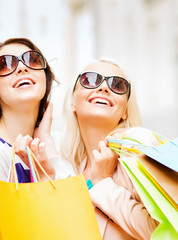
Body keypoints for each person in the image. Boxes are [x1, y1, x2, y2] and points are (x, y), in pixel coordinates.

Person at [0, 38, 72, 240]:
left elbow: (77, 214)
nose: (21, 67)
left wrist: (46, 142)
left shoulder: (57, 142)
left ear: (45, 80)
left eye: (32, 60)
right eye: (5, 64)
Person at [61, 58, 159, 239]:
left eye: (118, 85)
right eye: (90, 80)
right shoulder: (71, 168)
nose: (104, 88)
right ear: (73, 102)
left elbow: (162, 231)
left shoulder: (138, 148)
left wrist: (103, 183)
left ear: (125, 112)